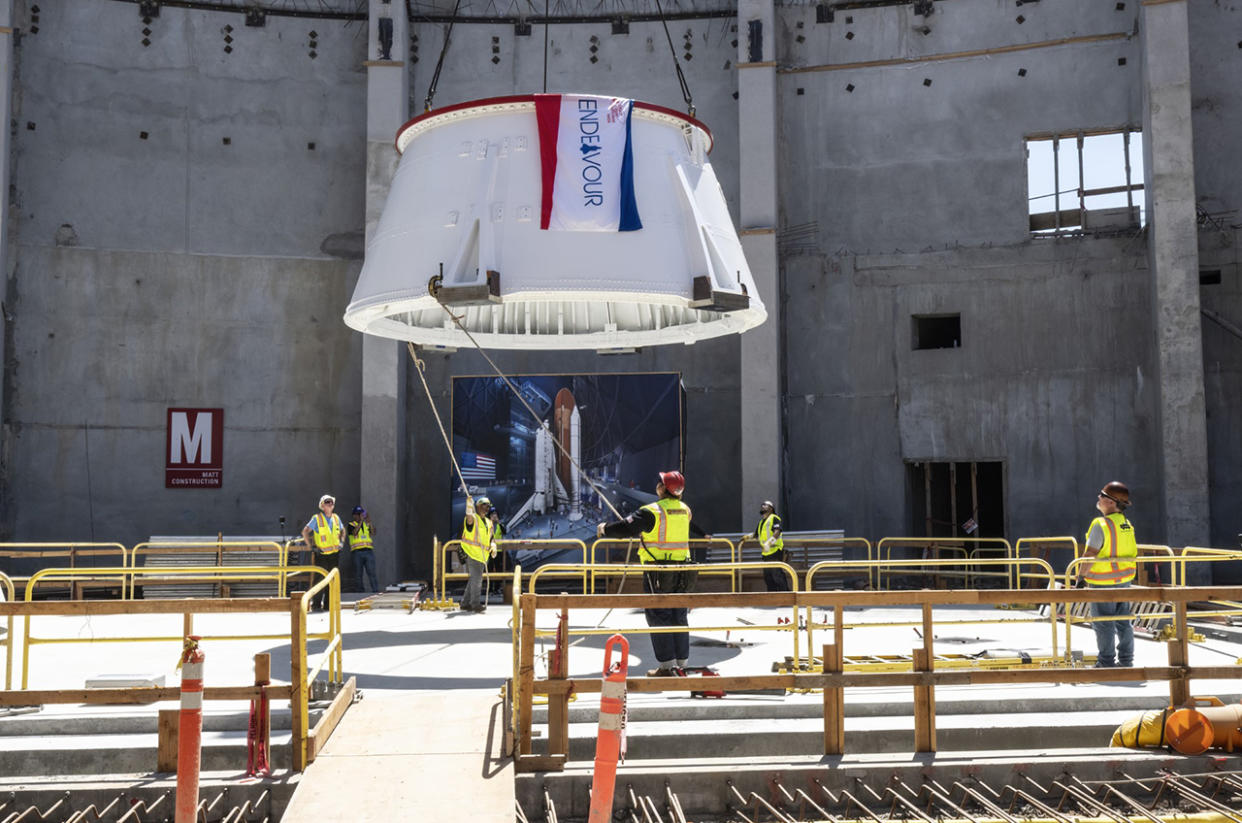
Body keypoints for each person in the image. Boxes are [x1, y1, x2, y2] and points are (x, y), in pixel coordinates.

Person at [596, 470, 709, 676]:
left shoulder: (651, 511)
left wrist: (605, 529)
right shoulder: (684, 510)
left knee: (659, 615)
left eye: (659, 483)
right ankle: (681, 665)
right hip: (682, 571)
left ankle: (667, 666)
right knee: (678, 614)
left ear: (662, 488)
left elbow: (624, 528)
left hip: (658, 571)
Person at [1078, 481, 1138, 669]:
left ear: (1112, 502)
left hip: (1103, 583)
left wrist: (1080, 579)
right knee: (1123, 621)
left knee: (1103, 623)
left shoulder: (1101, 525)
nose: (1099, 498)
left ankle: (1106, 663)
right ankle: (1126, 661)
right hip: (1124, 580)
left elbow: (1089, 555)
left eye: (1102, 495)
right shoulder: (1126, 524)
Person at [301, 494, 343, 611]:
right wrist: (311, 547)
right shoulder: (317, 518)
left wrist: (341, 543)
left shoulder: (336, 518)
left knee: (332, 580)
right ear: (322, 505)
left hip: (334, 555)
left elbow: (342, 531)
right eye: (327, 502)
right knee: (319, 580)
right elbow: (305, 532)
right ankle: (316, 605)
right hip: (322, 555)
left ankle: (329, 605)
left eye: (331, 502)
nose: (330, 504)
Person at [459, 496, 495, 613]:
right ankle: (475, 604)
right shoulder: (474, 519)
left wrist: (493, 546)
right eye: (484, 505)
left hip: (483, 557)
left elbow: (491, 538)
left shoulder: (489, 523)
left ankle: (465, 603)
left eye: (488, 506)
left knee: (473, 579)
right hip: (472, 554)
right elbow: (469, 519)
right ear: (478, 506)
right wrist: (469, 508)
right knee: (477, 580)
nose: (487, 508)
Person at [754, 500, 787, 592]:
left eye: (765, 505)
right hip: (766, 553)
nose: (762, 506)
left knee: (777, 576)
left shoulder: (774, 518)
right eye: (762, 505)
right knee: (768, 578)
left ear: (771, 508)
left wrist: (769, 543)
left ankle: (785, 597)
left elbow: (777, 531)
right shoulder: (761, 522)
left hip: (775, 551)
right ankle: (773, 598)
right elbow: (756, 535)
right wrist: (747, 537)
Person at [348, 506, 379, 594]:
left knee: (372, 572)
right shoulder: (351, 525)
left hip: (368, 551)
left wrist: (369, 522)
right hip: (357, 552)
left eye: (361, 514)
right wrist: (361, 521)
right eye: (358, 515)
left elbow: (373, 533)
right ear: (354, 516)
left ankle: (375, 591)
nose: (360, 516)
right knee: (358, 574)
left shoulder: (366, 525)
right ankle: (360, 592)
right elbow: (354, 533)